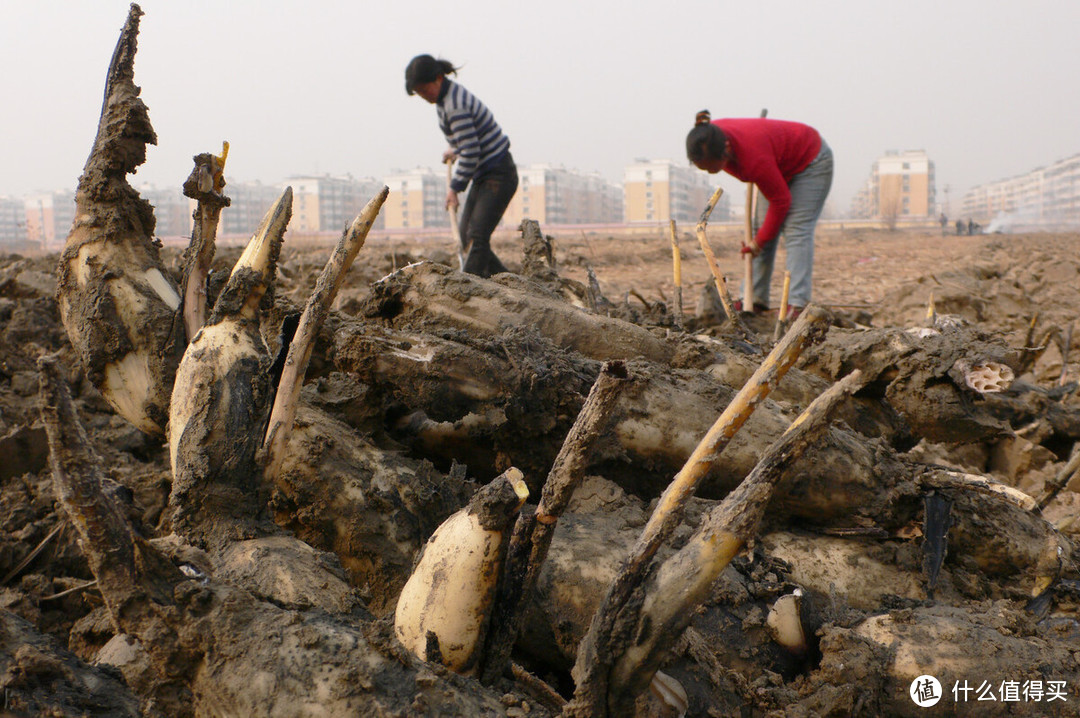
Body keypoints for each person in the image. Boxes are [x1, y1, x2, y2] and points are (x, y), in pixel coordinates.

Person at [686, 110, 833, 318]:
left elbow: (781, 201)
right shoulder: (707, 136)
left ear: (726, 150)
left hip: (811, 160)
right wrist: (759, 240)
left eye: (712, 168)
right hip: (776, 165)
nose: (709, 172)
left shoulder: (753, 159)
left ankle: (797, 303)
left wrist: (758, 242)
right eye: (703, 168)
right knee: (761, 231)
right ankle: (752, 299)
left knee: (796, 230)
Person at [405, 55, 517, 278]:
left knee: (476, 236)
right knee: (467, 238)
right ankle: (509, 284)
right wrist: (455, 148)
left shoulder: (454, 105)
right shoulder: (443, 100)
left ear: (438, 79)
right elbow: (467, 139)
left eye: (424, 90)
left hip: (498, 173)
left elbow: (472, 151)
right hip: (485, 174)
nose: (424, 97)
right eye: (419, 93)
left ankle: (467, 288)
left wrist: (454, 189)